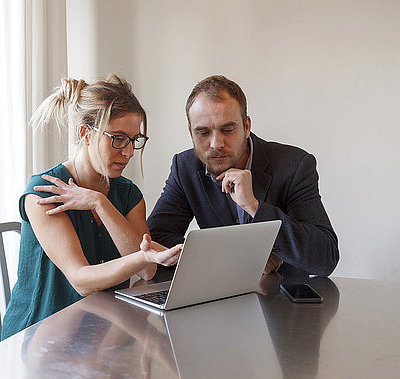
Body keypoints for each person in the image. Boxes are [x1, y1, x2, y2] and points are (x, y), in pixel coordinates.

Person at [1, 75, 182, 341]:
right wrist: (144, 256)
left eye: (135, 139)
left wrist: (99, 201)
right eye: (118, 138)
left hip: (99, 338)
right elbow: (80, 279)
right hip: (36, 338)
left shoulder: (128, 194)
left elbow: (146, 271)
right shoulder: (44, 191)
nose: (129, 151)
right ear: (86, 134)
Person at [147, 75, 339, 277]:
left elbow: (326, 258)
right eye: (203, 133)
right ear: (191, 133)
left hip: (281, 298)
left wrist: (255, 207)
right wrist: (240, 256)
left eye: (227, 130)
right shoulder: (184, 167)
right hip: (217, 297)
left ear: (247, 126)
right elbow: (157, 241)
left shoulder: (294, 165)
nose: (216, 144)